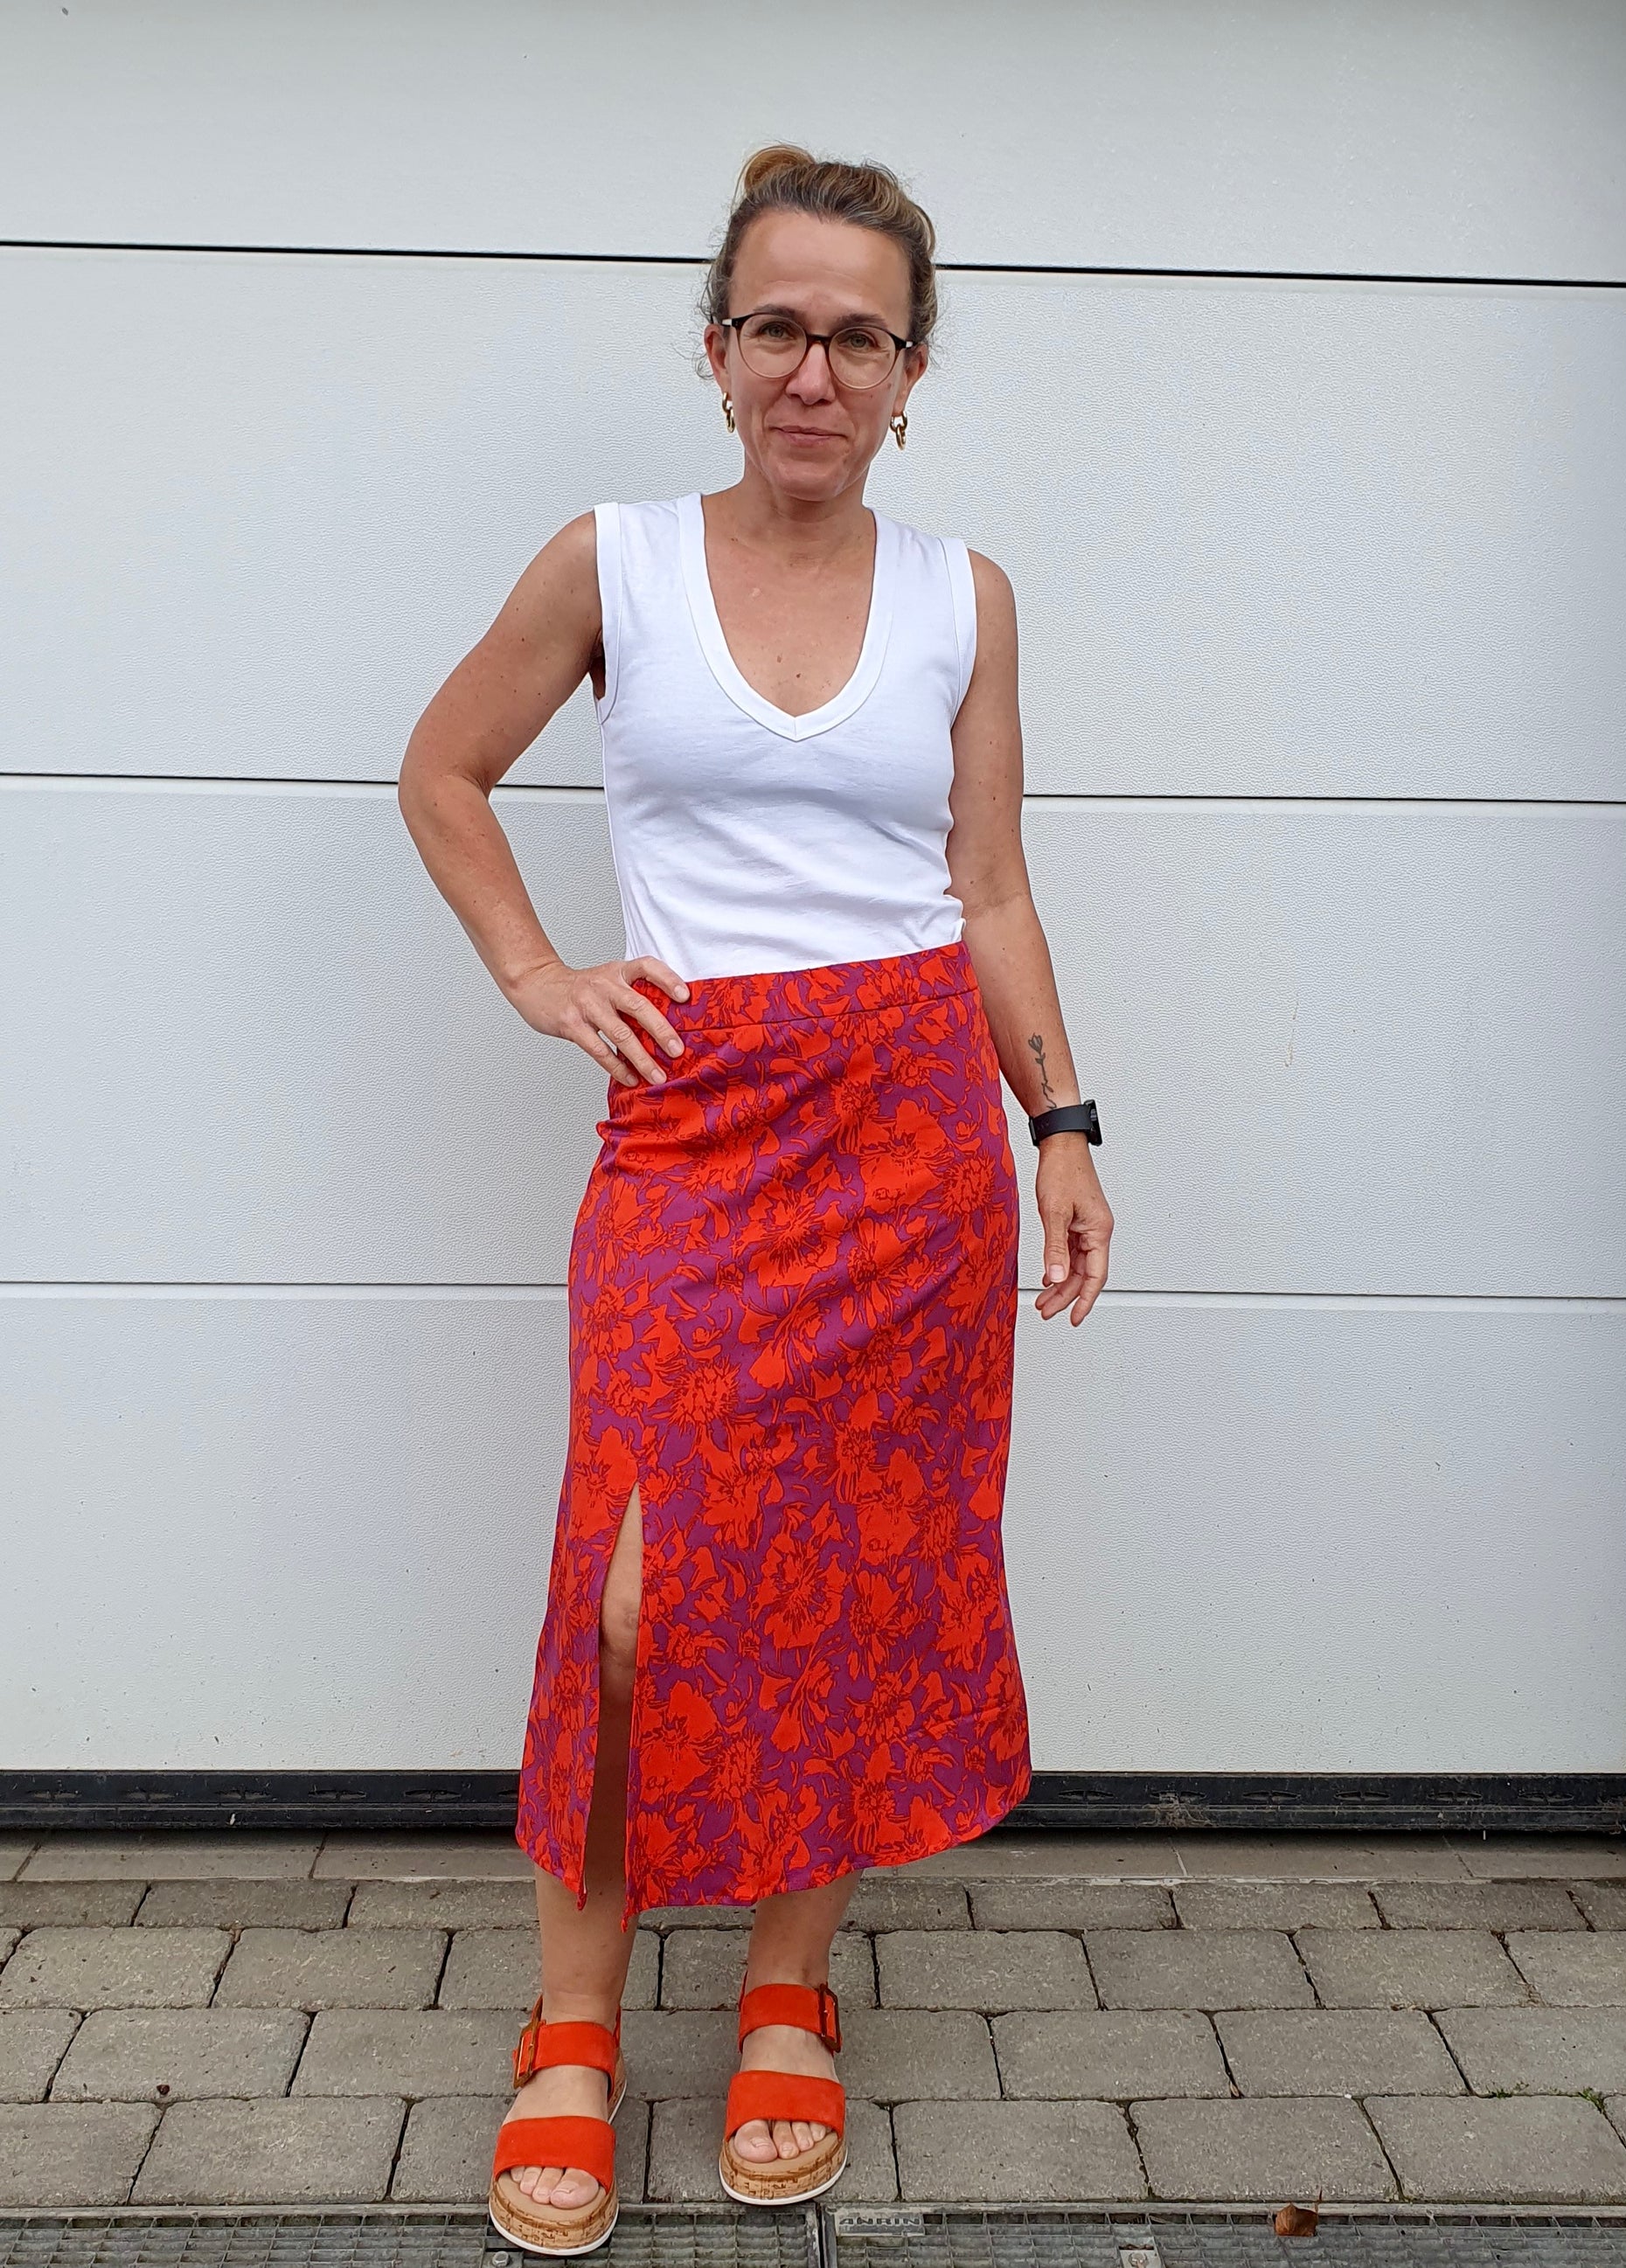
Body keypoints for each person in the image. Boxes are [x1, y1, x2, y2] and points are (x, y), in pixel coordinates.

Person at [400, 142, 1113, 2251]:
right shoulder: (609, 563)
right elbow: (442, 768)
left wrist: (1063, 1123)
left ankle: (791, 1981)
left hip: (907, 1137)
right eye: (778, 327)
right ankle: (573, 2014)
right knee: (632, 1593)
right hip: (696, 1127)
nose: (816, 370)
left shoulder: (964, 597)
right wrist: (542, 975)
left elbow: (988, 886)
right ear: (715, 352)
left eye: (859, 337)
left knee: (853, 1570)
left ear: (910, 373)